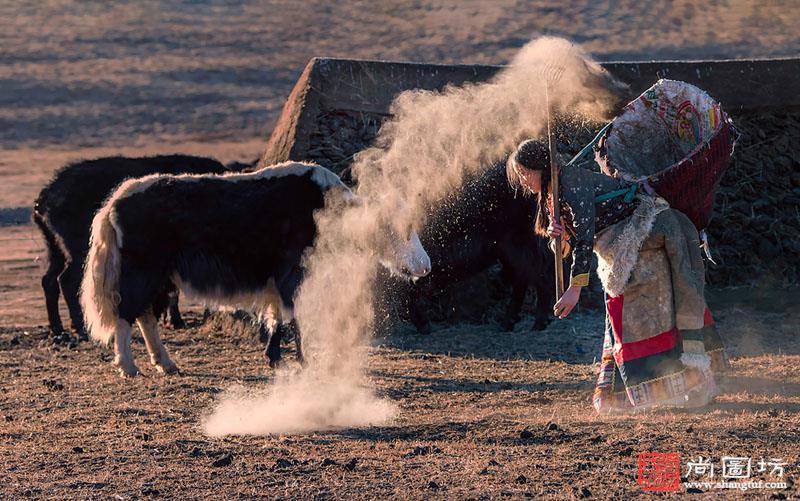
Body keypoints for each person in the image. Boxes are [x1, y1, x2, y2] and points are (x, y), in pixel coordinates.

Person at [506, 138, 728, 413]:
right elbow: (570, 243)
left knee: (638, 313)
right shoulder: (553, 194)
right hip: (624, 250)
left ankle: (686, 385)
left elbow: (585, 239)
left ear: (541, 167)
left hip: (648, 236)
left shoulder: (571, 182)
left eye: (525, 173)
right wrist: (560, 237)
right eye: (520, 175)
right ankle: (628, 395)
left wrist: (575, 289)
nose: (523, 180)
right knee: (623, 314)